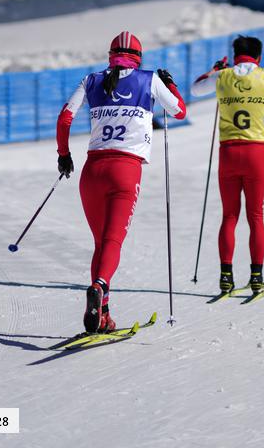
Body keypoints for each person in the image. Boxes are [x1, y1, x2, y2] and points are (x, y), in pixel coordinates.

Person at [56, 31, 186, 333]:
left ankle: (102, 314)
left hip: (92, 171)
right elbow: (179, 111)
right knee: (112, 242)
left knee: (100, 243)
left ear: (111, 55)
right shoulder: (149, 79)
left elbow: (65, 118)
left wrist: (64, 155)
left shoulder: (91, 80)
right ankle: (99, 287)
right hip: (125, 171)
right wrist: (170, 85)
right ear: (138, 57)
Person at [192, 34, 264, 295]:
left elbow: (195, 88)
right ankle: (256, 277)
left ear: (234, 57)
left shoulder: (223, 77)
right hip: (256, 154)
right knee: (255, 216)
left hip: (229, 153)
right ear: (258, 56)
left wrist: (215, 70)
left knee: (229, 216)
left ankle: (225, 277)